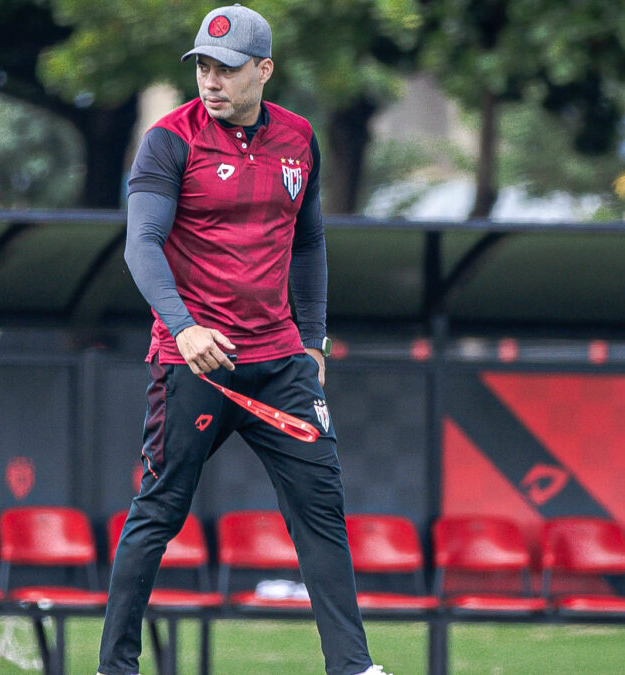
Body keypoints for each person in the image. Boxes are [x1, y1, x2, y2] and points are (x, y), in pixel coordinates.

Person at [97, 5, 388, 675]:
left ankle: (352, 666)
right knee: (159, 512)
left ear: (264, 70)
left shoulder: (298, 138)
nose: (211, 80)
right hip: (195, 360)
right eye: (202, 65)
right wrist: (184, 326)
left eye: (226, 68)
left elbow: (310, 242)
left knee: (322, 509)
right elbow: (140, 244)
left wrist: (312, 338)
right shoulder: (169, 140)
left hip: (281, 360)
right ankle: (115, 667)